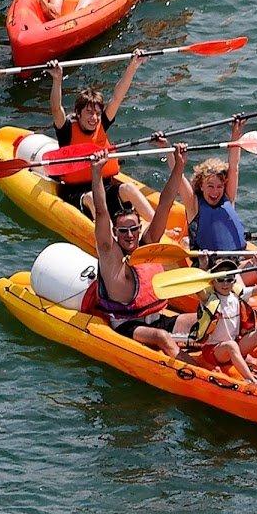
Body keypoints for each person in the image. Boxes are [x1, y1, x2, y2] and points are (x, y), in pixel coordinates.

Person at [79, 139, 188, 355]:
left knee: (207, 318)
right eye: (123, 231)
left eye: (133, 229)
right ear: (116, 233)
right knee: (161, 337)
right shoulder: (110, 253)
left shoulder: (147, 243)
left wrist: (179, 166)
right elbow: (101, 212)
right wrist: (97, 173)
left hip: (157, 317)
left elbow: (165, 204)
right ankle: (195, 377)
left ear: (139, 228)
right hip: (126, 324)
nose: (129, 235)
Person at [48, 55, 154, 221]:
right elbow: (55, 108)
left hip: (105, 187)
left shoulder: (102, 124)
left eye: (97, 113)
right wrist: (57, 79)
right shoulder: (67, 129)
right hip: (78, 193)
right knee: (92, 198)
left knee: (129, 189)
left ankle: (159, 228)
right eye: (89, 113)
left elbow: (118, 97)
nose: (94, 118)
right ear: (78, 113)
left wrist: (133, 65)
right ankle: (109, 240)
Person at [186, 255, 257, 382]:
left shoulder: (237, 294)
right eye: (220, 279)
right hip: (215, 350)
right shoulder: (208, 298)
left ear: (234, 280)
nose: (225, 283)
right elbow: (197, 287)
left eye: (229, 279)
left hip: (235, 344)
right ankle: (252, 380)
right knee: (231, 345)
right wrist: (203, 265)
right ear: (213, 280)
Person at [179, 118, 249, 254]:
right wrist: (173, 154)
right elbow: (179, 178)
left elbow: (234, 167)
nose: (215, 192)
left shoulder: (228, 197)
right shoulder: (193, 206)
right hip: (209, 265)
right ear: (201, 186)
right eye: (210, 186)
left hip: (236, 261)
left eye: (219, 187)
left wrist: (237, 132)